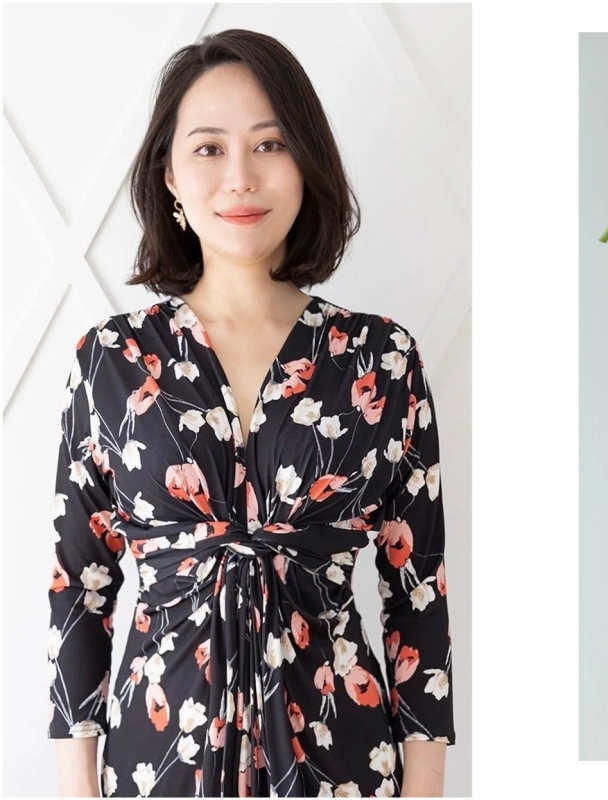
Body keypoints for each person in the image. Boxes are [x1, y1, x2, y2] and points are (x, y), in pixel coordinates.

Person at [47, 29, 453, 796]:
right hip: (157, 761)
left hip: (340, 758)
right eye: (208, 149)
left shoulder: (378, 358)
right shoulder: (111, 360)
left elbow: (419, 592)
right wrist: (76, 787)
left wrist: (425, 785)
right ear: (168, 174)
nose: (241, 177)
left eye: (270, 144)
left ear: (305, 162)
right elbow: (79, 586)